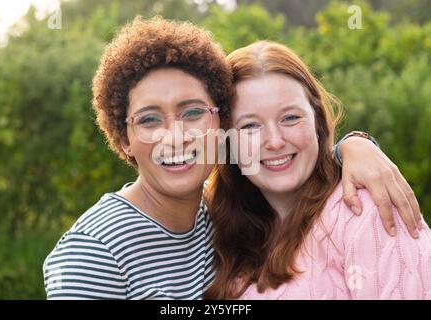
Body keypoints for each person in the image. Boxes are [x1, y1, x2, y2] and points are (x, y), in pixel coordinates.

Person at [43, 17, 422, 300]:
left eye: (192, 112)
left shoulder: (223, 220)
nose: (175, 136)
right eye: (149, 119)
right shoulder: (94, 250)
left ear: (218, 123)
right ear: (124, 138)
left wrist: (354, 145)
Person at [205, 40, 431, 300]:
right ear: (227, 141)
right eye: (250, 127)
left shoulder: (366, 209)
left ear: (318, 121)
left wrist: (354, 142)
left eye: (290, 117)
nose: (275, 141)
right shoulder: (218, 226)